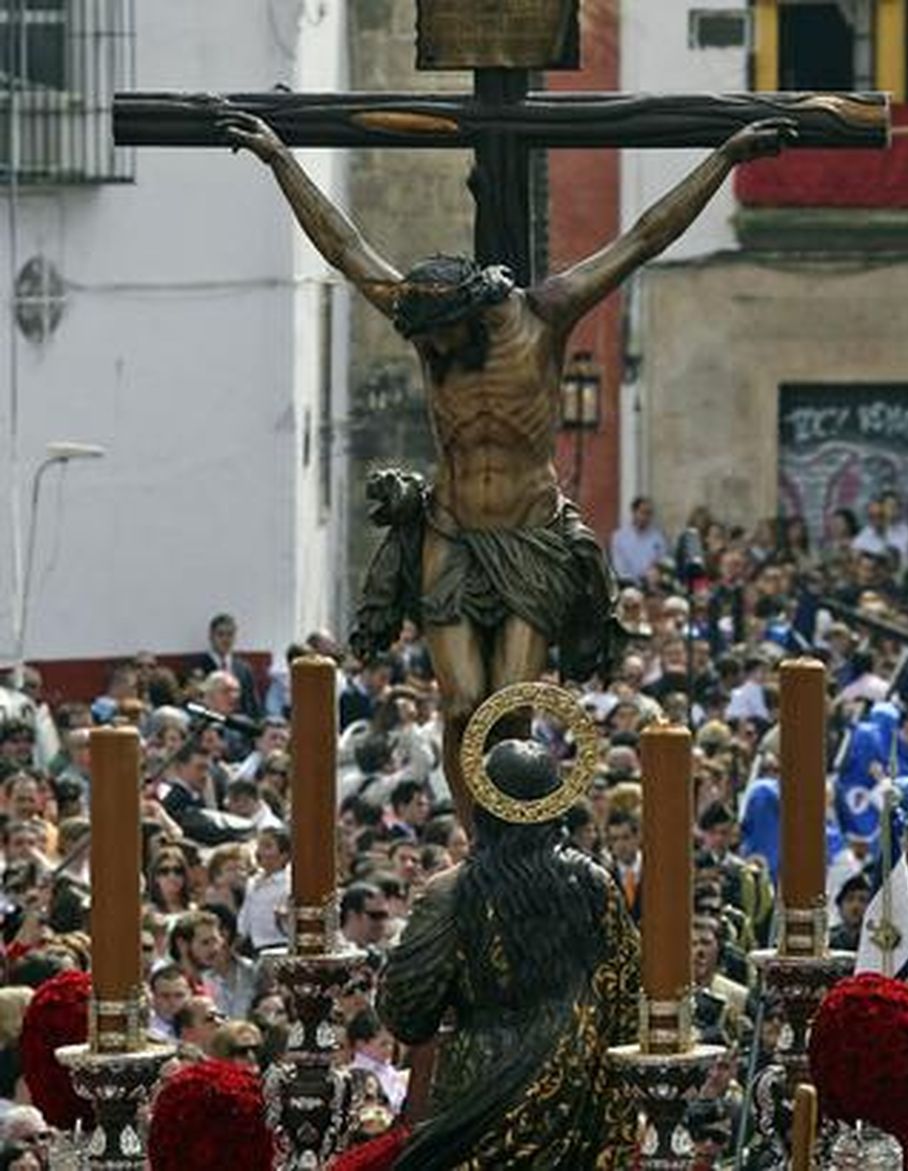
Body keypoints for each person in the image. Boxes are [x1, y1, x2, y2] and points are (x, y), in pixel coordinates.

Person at [219, 105, 798, 815]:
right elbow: (345, 247)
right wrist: (280, 159)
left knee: (513, 708)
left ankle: (511, 829)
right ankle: (477, 841)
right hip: (453, 530)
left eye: (440, 340)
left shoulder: (545, 315)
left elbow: (646, 235)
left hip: (530, 531)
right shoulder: (428, 323)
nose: (430, 353)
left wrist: (725, 156)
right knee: (462, 702)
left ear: (467, 314)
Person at [377, 737, 640, 1168]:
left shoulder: (451, 892)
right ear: (557, 807)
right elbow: (630, 1003)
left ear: (483, 808)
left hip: (477, 1094)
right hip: (578, 1097)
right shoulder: (596, 884)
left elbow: (407, 1012)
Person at [609, 496, 668, 584]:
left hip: (652, 584)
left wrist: (657, 571)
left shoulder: (657, 537)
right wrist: (636, 581)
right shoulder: (619, 537)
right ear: (634, 512)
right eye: (643, 512)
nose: (646, 517)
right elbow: (619, 568)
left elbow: (663, 562)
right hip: (628, 584)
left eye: (649, 513)